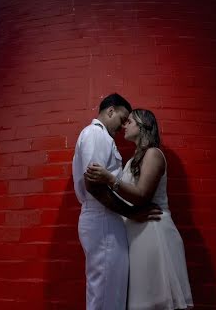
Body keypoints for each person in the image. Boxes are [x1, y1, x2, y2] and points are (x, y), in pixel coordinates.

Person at [86, 108, 194, 310]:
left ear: (143, 126)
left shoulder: (153, 154)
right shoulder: (131, 162)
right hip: (137, 235)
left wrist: (109, 179)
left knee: (157, 301)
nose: (125, 125)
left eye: (130, 122)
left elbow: (142, 195)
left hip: (154, 233)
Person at [72, 94, 161, 310]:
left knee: (111, 291)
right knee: (104, 295)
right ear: (110, 111)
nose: (123, 126)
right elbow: (94, 185)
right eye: (122, 119)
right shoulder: (96, 134)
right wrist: (131, 213)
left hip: (108, 220)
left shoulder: (103, 138)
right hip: (103, 220)